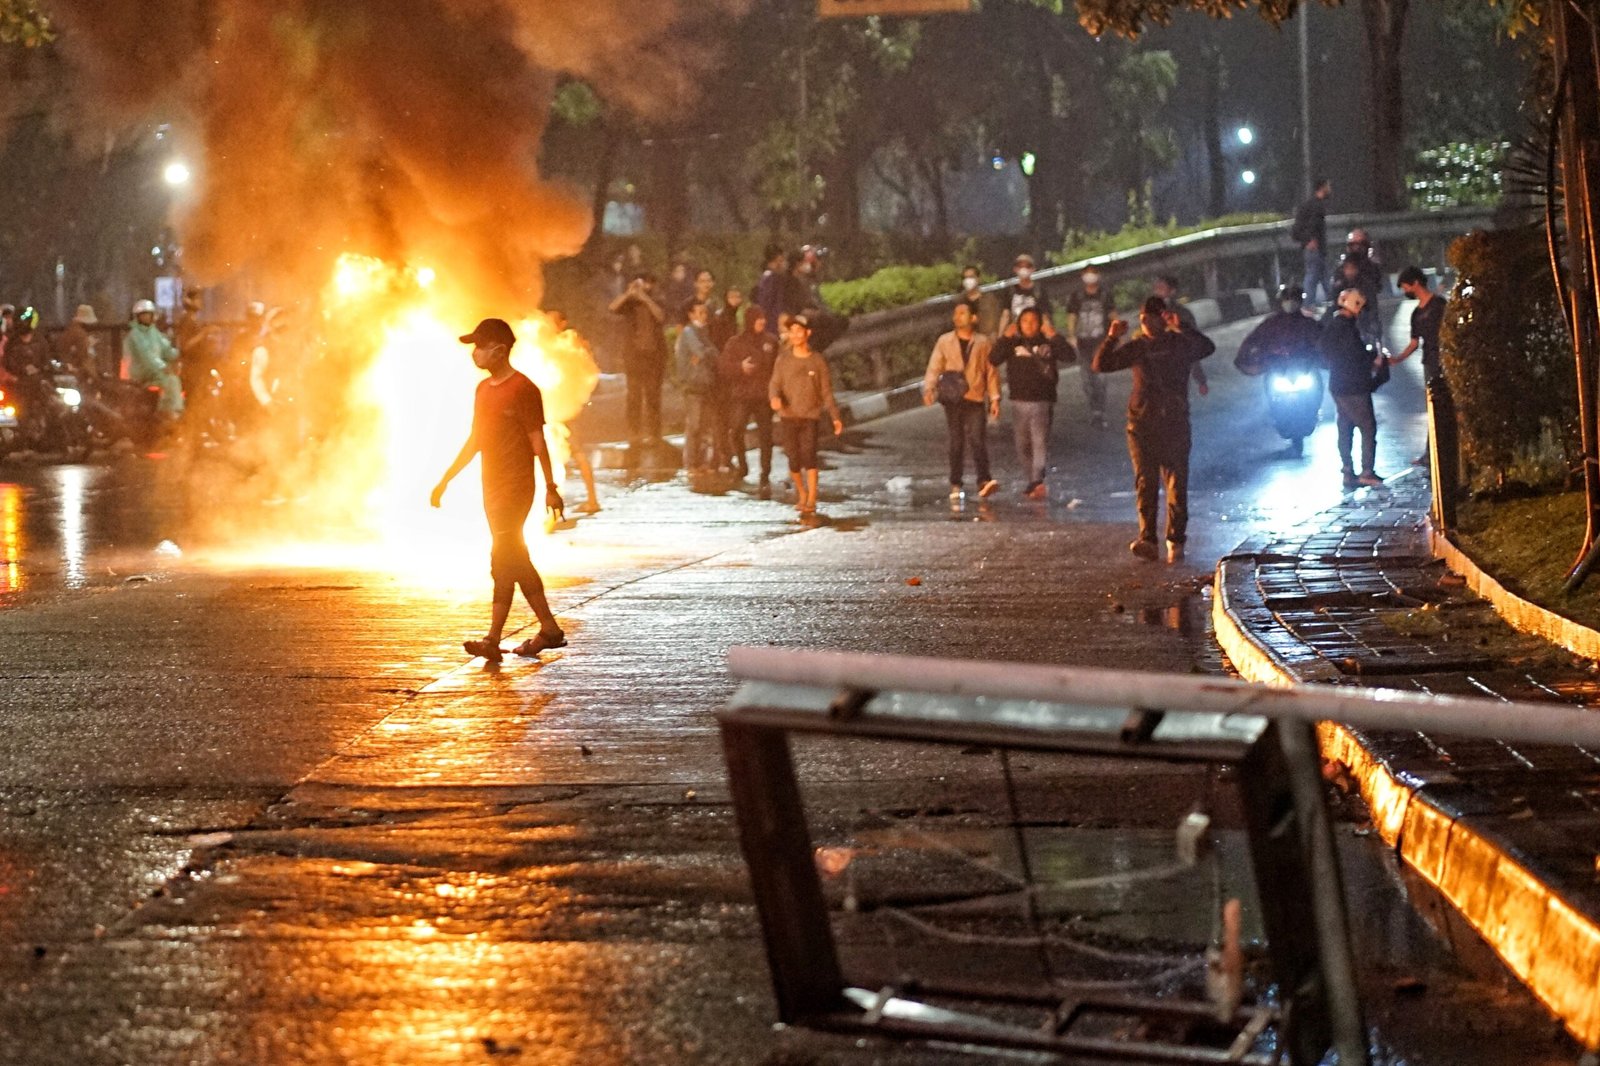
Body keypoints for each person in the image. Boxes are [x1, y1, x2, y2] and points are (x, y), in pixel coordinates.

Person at [431, 318, 566, 664]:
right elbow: (476, 439)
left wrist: (551, 487)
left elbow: (538, 441)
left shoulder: (524, 389)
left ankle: (531, 631)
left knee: (507, 555)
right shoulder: (483, 390)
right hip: (489, 488)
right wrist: (446, 477)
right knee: (506, 558)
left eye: (480, 346)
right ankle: (522, 635)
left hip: (516, 486)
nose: (475, 353)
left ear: (500, 350)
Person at [1093, 296, 1215, 564]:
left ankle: (1176, 538)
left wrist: (1182, 326)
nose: (1145, 321)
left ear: (1163, 317)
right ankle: (1147, 538)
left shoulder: (1179, 343)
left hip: (1174, 423)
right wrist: (1112, 338)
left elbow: (1207, 347)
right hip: (1141, 423)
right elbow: (1102, 365)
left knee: (1176, 483)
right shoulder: (1138, 347)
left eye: (1151, 316)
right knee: (1145, 482)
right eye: (1142, 317)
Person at [989, 306, 1073, 499]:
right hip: (1018, 400)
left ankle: (1037, 480)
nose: (1029, 325)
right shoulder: (1014, 343)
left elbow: (1069, 356)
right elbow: (993, 359)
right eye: (1025, 321)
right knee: (1022, 445)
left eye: (1034, 321)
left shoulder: (1048, 342)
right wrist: (1005, 338)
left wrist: (1053, 335)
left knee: (1039, 442)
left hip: (1042, 400)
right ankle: (1032, 480)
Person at [923, 302, 1000, 499]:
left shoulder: (983, 343)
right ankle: (955, 483)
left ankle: (984, 479)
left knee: (977, 439)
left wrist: (994, 398)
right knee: (956, 442)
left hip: (974, 396)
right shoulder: (945, 341)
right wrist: (929, 388)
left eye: (963, 313)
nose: (958, 316)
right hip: (953, 397)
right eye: (956, 313)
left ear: (974, 318)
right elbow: (935, 366)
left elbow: (990, 372)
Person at [769, 315, 843, 518]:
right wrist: (775, 398)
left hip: (810, 416)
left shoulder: (817, 360)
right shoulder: (783, 360)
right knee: (793, 458)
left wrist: (835, 416)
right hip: (788, 416)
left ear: (807, 333)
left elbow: (826, 392)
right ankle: (801, 493)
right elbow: (774, 384)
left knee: (809, 455)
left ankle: (812, 497)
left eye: (799, 331)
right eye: (791, 331)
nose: (795, 335)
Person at [1320, 287, 1386, 490]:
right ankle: (1367, 471)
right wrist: (1372, 360)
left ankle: (1348, 471)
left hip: (1339, 384)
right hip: (1353, 386)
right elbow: (1354, 355)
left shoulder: (1332, 325)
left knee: (1346, 426)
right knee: (1367, 426)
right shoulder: (1346, 328)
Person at [719, 303, 780, 496]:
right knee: (736, 430)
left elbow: (779, 368)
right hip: (743, 396)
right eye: (758, 318)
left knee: (766, 436)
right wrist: (740, 368)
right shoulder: (735, 343)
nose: (762, 321)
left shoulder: (771, 341)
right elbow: (724, 368)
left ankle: (765, 474)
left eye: (763, 318)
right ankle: (742, 465)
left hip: (764, 396)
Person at [1390, 266, 1446, 465]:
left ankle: (1439, 451)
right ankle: (1430, 452)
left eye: (1406, 286)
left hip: (1444, 361)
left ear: (1415, 283)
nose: (1406, 291)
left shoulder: (1439, 305)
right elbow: (1414, 343)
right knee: (1433, 406)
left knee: (1445, 406)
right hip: (1429, 363)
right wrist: (1398, 359)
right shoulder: (1416, 313)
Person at [548, 310, 602, 515]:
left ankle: (592, 499)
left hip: (566, 409)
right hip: (556, 407)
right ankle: (588, 499)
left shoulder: (569, 345)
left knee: (576, 454)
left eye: (553, 320)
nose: (548, 323)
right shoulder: (551, 344)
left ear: (563, 322)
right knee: (561, 454)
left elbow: (587, 373)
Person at [608, 272, 668, 449]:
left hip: (654, 356)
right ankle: (634, 433)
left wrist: (646, 299)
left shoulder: (658, 299)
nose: (643, 288)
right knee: (633, 396)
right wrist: (628, 293)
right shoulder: (629, 303)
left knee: (653, 396)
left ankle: (654, 434)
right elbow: (612, 308)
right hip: (634, 356)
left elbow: (661, 316)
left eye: (646, 284)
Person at [1066, 267, 1114, 427]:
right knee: (1087, 379)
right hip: (1083, 343)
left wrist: (1117, 335)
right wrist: (1072, 335)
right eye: (1087, 273)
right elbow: (1072, 316)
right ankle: (1094, 409)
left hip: (1100, 341)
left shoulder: (1105, 294)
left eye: (1093, 273)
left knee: (1100, 377)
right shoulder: (1077, 296)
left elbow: (1112, 315)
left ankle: (1100, 411)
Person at [676, 299, 719, 474]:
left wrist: (704, 354)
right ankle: (691, 463)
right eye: (700, 312)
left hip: (705, 384)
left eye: (705, 312)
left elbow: (712, 353)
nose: (704, 316)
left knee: (703, 425)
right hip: (692, 385)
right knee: (694, 425)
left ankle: (699, 462)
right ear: (691, 314)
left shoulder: (703, 332)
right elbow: (701, 351)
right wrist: (703, 354)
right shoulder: (689, 332)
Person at [123, 299, 183, 419]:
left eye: (148, 314)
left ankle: (173, 411)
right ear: (137, 317)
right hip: (141, 373)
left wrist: (180, 354)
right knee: (169, 380)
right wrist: (163, 367)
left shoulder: (154, 332)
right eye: (143, 315)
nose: (146, 317)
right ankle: (167, 412)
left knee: (174, 378)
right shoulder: (135, 335)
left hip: (154, 371)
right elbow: (146, 356)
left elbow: (166, 348)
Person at [1153, 275, 1209, 396]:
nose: (1157, 291)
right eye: (1156, 288)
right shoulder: (1150, 314)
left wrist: (1200, 379)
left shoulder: (1183, 314)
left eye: (1161, 288)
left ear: (1172, 291)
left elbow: (1193, 344)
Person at [1292, 178, 1332, 306]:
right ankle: (1309, 305)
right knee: (1313, 276)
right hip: (1315, 247)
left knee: (1322, 274)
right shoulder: (1317, 206)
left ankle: (1332, 301)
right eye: (1328, 186)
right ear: (1322, 187)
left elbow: (1298, 227)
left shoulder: (1308, 204)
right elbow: (1313, 225)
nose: (1330, 189)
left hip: (1312, 247)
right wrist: (1311, 239)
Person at [997, 253, 1055, 337]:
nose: (1023, 269)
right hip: (1015, 334)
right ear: (1015, 269)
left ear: (1033, 269)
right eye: (1020, 266)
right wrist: (1000, 336)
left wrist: (1049, 336)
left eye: (1027, 266)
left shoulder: (1039, 291)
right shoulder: (1010, 291)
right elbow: (1005, 315)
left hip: (1035, 333)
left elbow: (1044, 316)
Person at [956, 264, 1000, 337]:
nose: (968, 280)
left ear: (978, 279)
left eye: (971, 277)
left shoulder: (989, 299)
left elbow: (994, 322)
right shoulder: (959, 300)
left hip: (985, 339)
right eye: (965, 278)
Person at [753, 244, 788, 337]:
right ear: (776, 261)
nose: (783, 263)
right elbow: (765, 304)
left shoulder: (773, 277)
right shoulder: (770, 279)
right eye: (781, 260)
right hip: (771, 325)